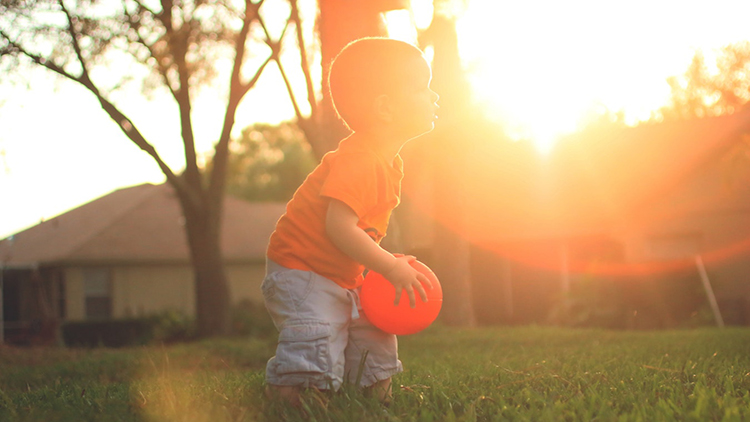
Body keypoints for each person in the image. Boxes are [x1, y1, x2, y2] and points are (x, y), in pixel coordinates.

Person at [262, 37, 440, 406]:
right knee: (318, 332)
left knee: (372, 326)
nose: (434, 96)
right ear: (386, 108)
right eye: (423, 88)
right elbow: (338, 228)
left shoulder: (388, 162)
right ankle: (295, 392)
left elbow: (360, 232)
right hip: (302, 267)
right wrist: (389, 265)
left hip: (340, 270)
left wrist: (380, 264)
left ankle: (374, 391)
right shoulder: (360, 159)